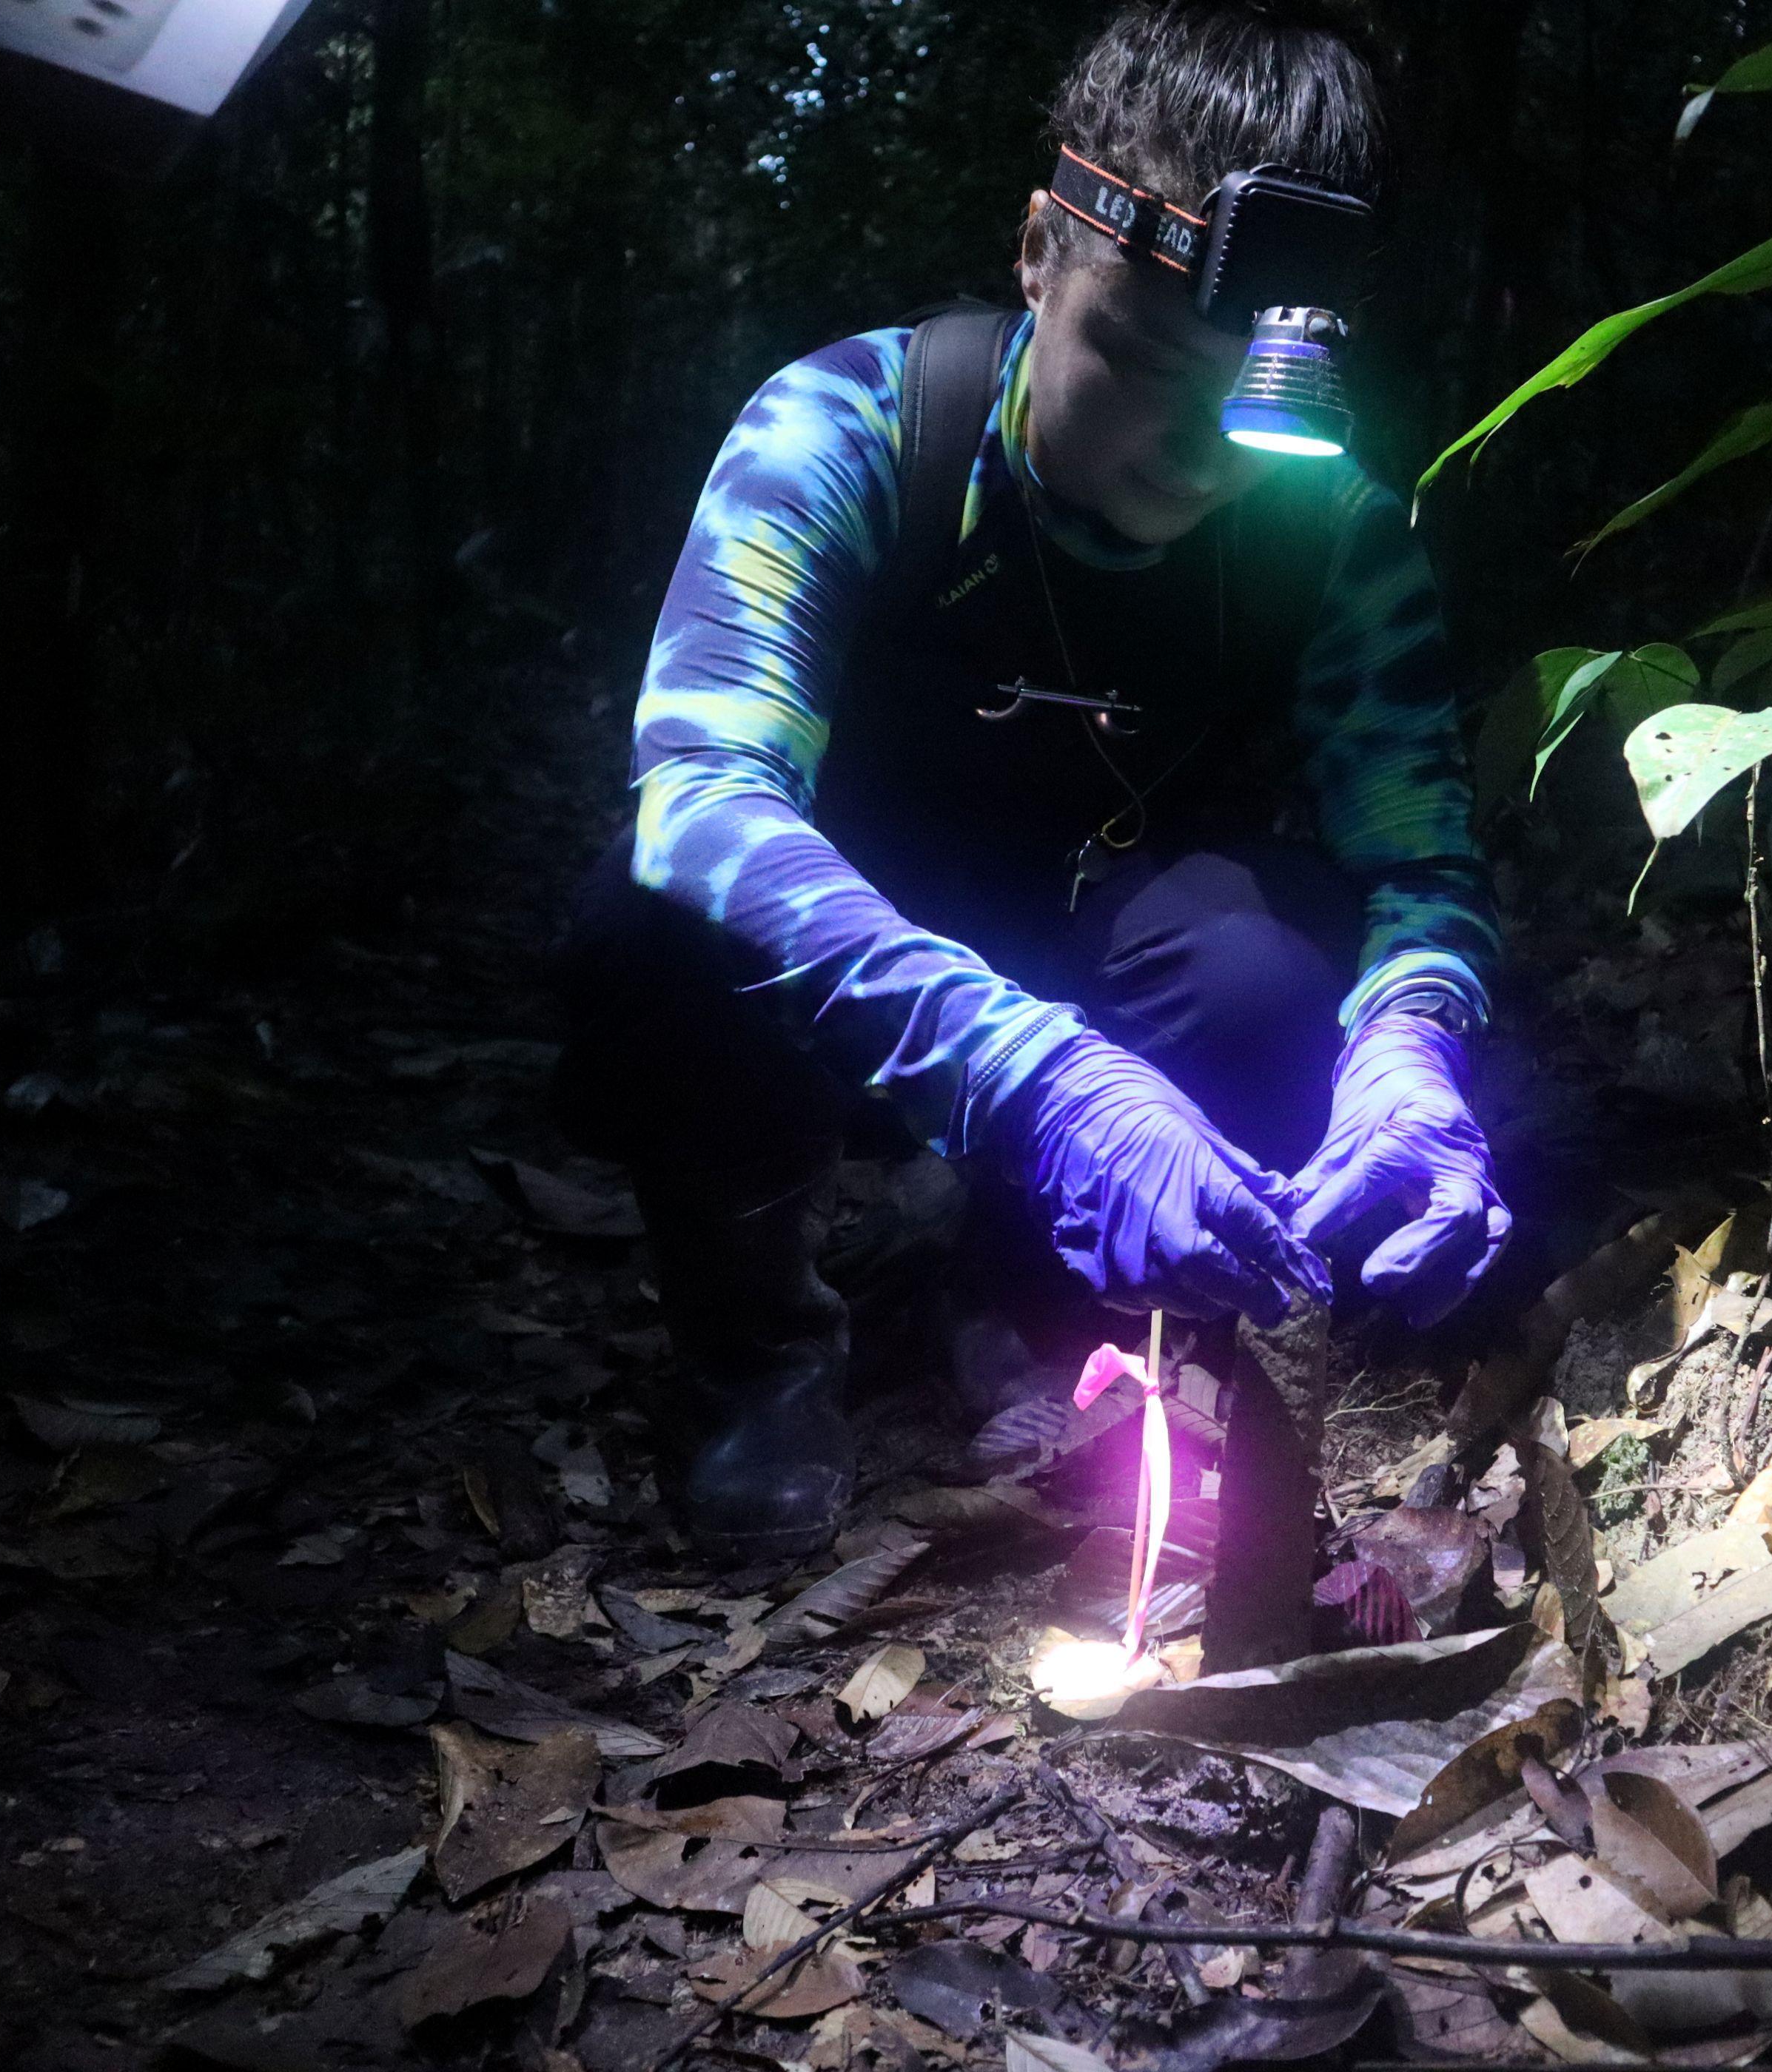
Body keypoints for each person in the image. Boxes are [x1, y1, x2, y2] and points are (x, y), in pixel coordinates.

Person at [557, 0, 1508, 1561]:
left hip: (1103, 928)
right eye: (1137, 357)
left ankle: (1022, 1288)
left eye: (1258, 396)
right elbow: (704, 794)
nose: (1193, 451)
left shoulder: (1333, 525)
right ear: (1038, 252)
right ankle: (761, 1348)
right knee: (650, 925)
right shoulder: (851, 424)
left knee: (1278, 964)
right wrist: (1032, 1080)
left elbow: (1421, 859)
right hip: (844, 956)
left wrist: (1414, 1047)